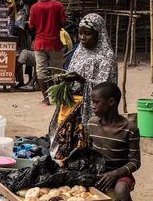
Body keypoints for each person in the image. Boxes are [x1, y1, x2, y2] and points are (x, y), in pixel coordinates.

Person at [48, 13, 118, 160]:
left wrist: (82, 80)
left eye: (88, 34)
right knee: (65, 143)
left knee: (83, 146)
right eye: (80, 33)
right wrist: (64, 80)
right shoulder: (79, 51)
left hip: (90, 108)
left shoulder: (107, 56)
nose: (82, 37)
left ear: (99, 34)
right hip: (70, 105)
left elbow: (106, 89)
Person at [87, 82, 143, 201]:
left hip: (121, 174)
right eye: (92, 102)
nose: (93, 106)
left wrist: (115, 174)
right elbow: (88, 153)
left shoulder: (129, 128)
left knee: (120, 191)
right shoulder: (92, 124)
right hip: (99, 174)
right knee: (87, 195)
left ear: (111, 102)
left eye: (97, 102)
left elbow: (135, 162)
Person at [29, 0, 67, 104]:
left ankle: (46, 99)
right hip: (55, 43)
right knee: (58, 71)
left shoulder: (34, 7)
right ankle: (58, 98)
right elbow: (63, 24)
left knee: (41, 71)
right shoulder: (58, 6)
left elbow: (31, 26)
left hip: (40, 43)